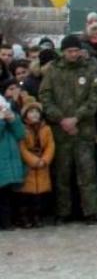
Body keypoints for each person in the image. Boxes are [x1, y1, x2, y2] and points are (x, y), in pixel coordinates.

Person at [38, 33, 97, 224]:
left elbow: (94, 98)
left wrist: (76, 118)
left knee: (88, 174)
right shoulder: (53, 70)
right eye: (70, 51)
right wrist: (60, 118)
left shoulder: (89, 69)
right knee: (62, 174)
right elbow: (45, 96)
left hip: (83, 130)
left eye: (76, 50)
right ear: (63, 51)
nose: (73, 54)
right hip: (60, 131)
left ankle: (92, 212)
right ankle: (63, 212)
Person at [16, 100, 53, 228]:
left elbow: (50, 146)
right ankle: (25, 217)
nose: (34, 114)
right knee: (26, 194)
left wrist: (45, 159)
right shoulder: (22, 129)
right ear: (25, 115)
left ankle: (37, 217)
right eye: (31, 112)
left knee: (39, 195)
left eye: (37, 111)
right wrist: (33, 161)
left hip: (42, 163)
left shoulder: (46, 129)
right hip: (29, 165)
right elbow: (22, 148)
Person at [0, 96, 26, 230]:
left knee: (11, 195)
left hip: (11, 163)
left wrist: (13, 120)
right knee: (2, 196)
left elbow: (21, 134)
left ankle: (11, 220)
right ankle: (5, 222)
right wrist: (2, 121)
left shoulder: (10, 116)